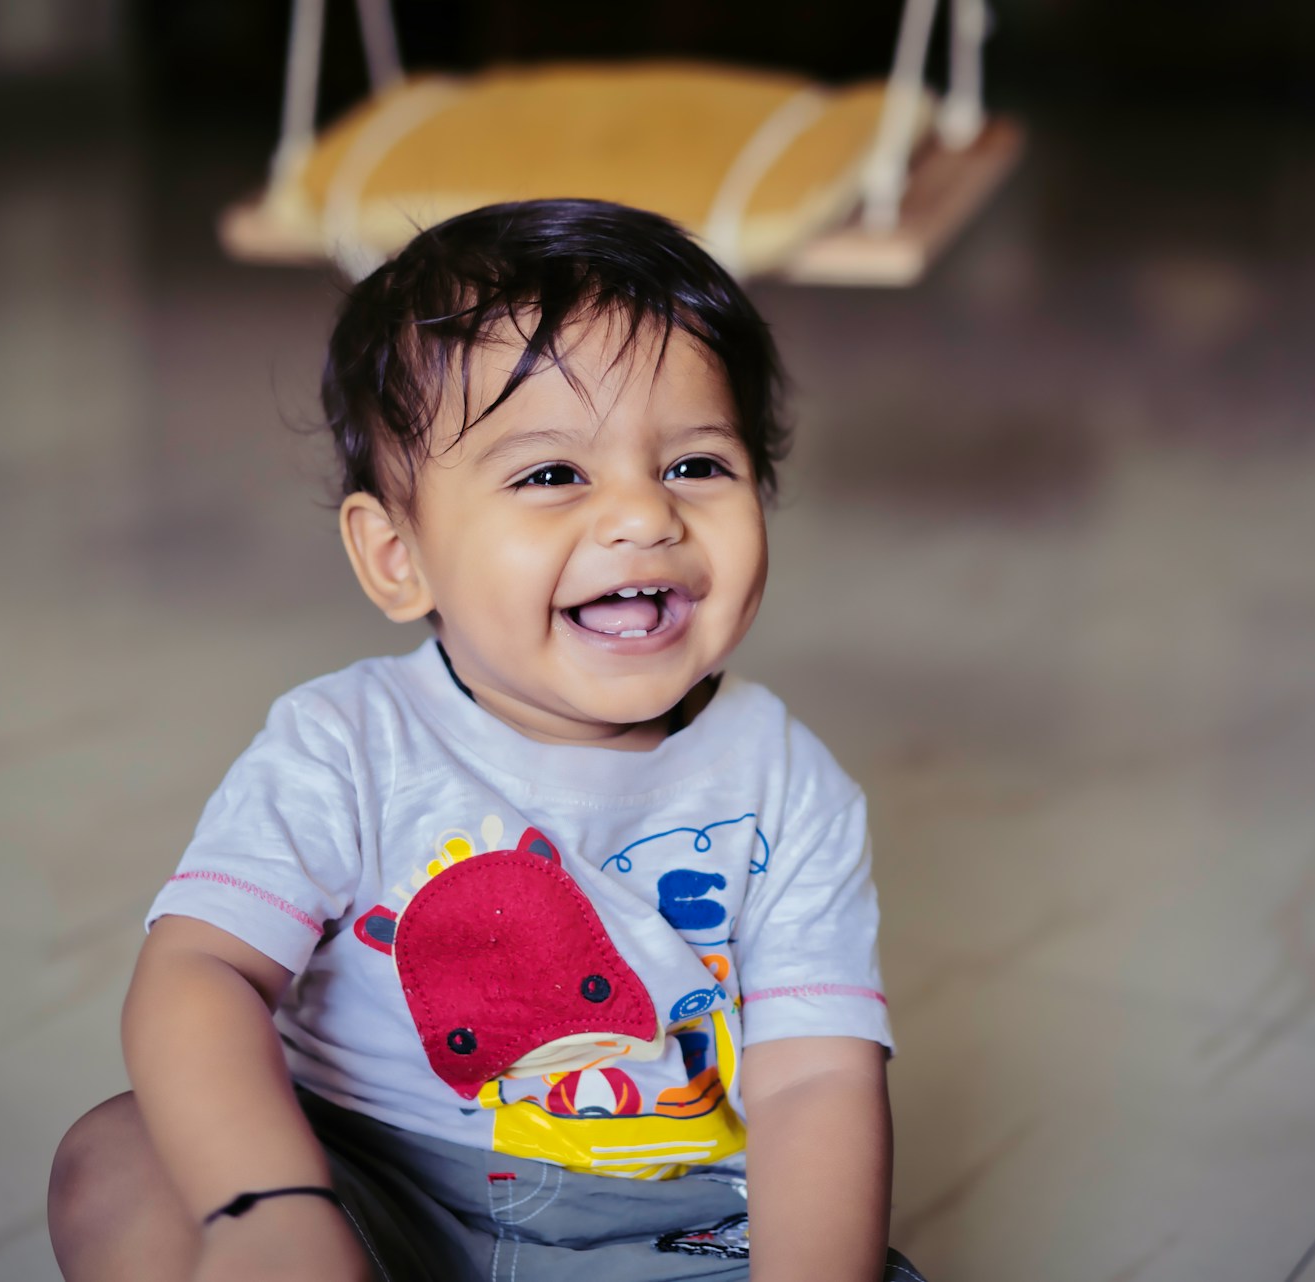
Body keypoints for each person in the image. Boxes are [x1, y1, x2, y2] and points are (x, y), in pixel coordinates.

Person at [47, 199, 924, 1282]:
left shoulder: (790, 782)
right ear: (395, 556)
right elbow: (202, 967)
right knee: (118, 1156)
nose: (645, 516)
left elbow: (814, 1082)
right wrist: (264, 1203)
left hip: (671, 1222)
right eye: (553, 473)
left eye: (697, 464)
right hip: (370, 1191)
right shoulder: (344, 746)